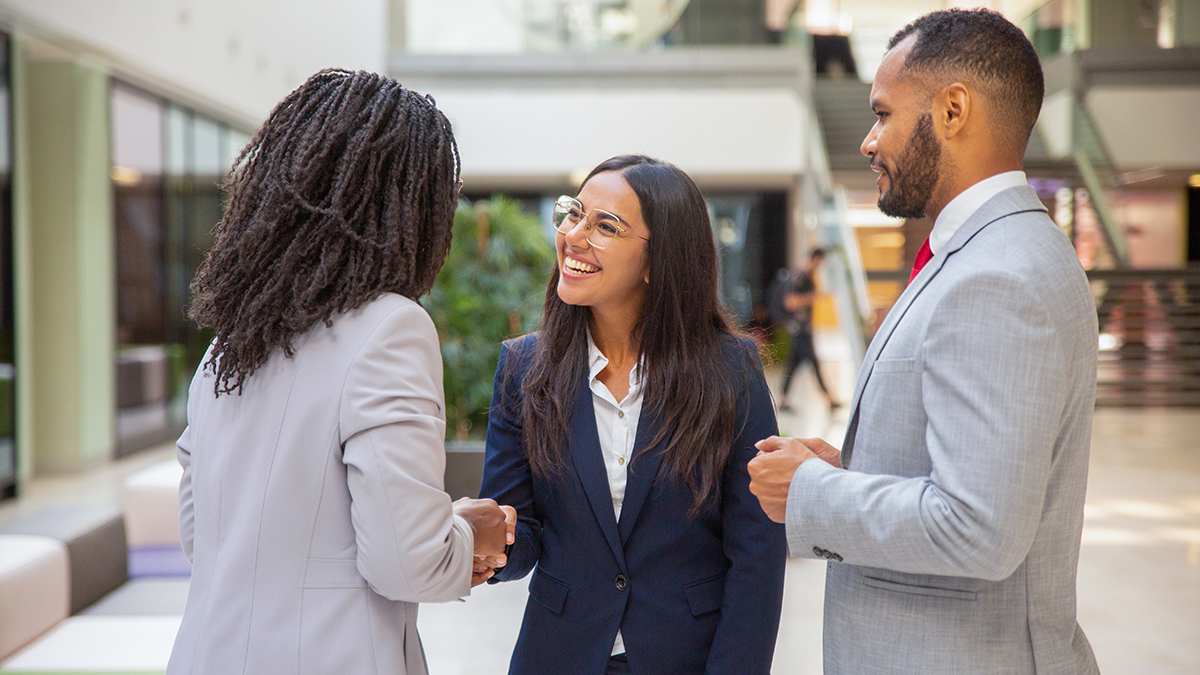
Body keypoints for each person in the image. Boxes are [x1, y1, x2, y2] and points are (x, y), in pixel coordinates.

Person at [747, 9, 1100, 674]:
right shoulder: (998, 251)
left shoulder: (996, 275)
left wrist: (810, 491)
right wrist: (848, 470)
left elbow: (978, 527)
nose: (869, 141)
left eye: (883, 113)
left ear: (953, 109)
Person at [168, 69, 514, 675]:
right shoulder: (390, 328)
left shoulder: (229, 342)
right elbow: (407, 561)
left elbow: (202, 539)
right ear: (413, 207)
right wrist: (469, 534)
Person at [479, 155, 786, 675]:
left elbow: (757, 553)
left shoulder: (730, 370)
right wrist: (490, 544)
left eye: (605, 226)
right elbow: (521, 529)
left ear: (657, 261)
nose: (574, 235)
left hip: (686, 656)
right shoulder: (523, 367)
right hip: (559, 655)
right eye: (573, 214)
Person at [768, 248, 838, 411]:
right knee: (812, 361)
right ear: (815, 259)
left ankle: (784, 398)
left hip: (802, 329)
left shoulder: (804, 277)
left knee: (795, 364)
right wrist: (815, 296)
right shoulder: (800, 277)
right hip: (799, 329)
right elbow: (791, 303)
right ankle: (829, 398)